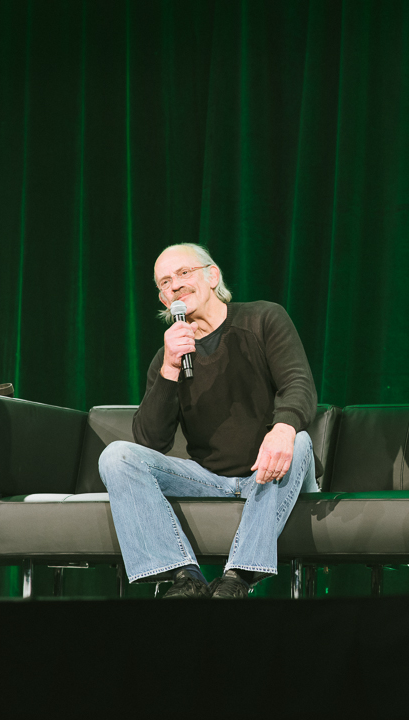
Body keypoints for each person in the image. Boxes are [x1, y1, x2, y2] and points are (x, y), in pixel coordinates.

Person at [99, 243, 318, 598]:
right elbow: (150, 440)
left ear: (212, 275)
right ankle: (184, 577)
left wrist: (283, 427)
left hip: (269, 473)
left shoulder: (263, 318)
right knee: (117, 457)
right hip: (211, 479)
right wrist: (170, 369)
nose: (175, 285)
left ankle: (238, 577)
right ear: (163, 299)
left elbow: (299, 383)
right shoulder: (168, 357)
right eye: (165, 282)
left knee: (300, 439)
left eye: (184, 273)